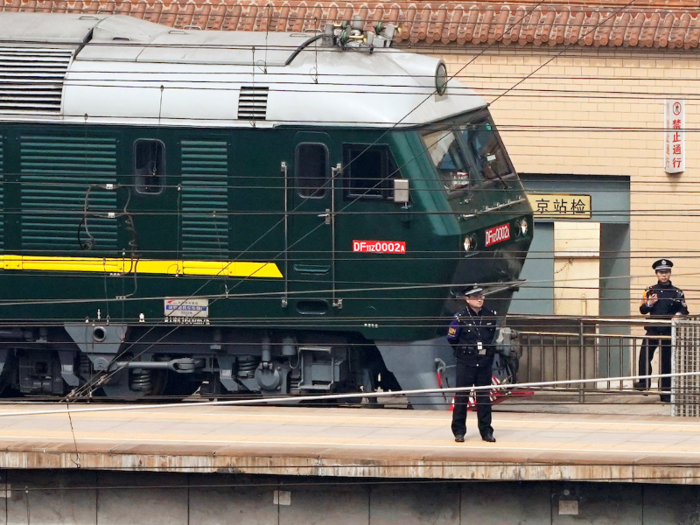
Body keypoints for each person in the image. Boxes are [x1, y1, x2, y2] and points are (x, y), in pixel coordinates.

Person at [447, 284, 498, 443]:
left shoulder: (490, 315)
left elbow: (491, 337)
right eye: (476, 297)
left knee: (484, 399)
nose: (480, 299)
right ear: (467, 299)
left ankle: (486, 431)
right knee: (461, 398)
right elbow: (452, 339)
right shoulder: (459, 317)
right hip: (466, 362)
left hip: (484, 362)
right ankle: (459, 431)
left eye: (481, 296)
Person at [635, 259, 689, 402]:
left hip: (668, 332)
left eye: (666, 272)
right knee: (644, 357)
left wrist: (678, 315)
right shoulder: (650, 290)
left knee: (666, 363)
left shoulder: (677, 292)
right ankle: (644, 383)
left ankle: (665, 393)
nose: (663, 275)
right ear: (656, 274)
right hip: (652, 330)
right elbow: (642, 310)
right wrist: (650, 303)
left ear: (670, 273)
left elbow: (684, 310)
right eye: (661, 272)